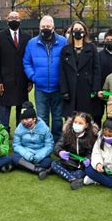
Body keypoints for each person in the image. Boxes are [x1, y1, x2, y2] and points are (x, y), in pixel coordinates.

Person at [23, 15, 67, 143]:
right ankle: (45, 140)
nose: (45, 29)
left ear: (53, 27)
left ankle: (57, 141)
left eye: (48, 26)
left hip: (58, 87)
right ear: (39, 27)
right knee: (42, 117)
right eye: (43, 26)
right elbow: (27, 62)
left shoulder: (63, 42)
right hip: (41, 88)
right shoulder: (32, 43)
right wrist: (33, 77)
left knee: (58, 118)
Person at [0, 11, 31, 134]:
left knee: (21, 109)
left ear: (20, 20)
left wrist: (30, 80)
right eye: (11, 18)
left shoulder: (27, 37)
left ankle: (21, 134)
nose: (14, 20)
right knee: (4, 110)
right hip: (4, 81)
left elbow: (30, 59)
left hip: (22, 81)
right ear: (7, 20)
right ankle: (3, 135)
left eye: (16, 18)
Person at [59, 21, 101, 120]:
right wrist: (64, 90)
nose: (78, 32)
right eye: (75, 30)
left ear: (85, 32)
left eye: (80, 30)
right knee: (71, 120)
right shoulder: (65, 50)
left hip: (87, 89)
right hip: (70, 90)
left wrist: (95, 89)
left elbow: (97, 70)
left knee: (85, 119)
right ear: (71, 32)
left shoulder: (92, 48)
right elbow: (62, 71)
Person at [51, 112, 98, 190]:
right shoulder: (67, 133)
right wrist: (60, 152)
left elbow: (91, 153)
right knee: (54, 163)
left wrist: (88, 159)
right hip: (68, 162)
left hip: (81, 166)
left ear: (86, 125)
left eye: (80, 123)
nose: (77, 125)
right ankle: (73, 179)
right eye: (75, 122)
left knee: (83, 172)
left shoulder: (91, 136)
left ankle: (67, 175)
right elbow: (57, 146)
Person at [12, 101, 53, 179]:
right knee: (14, 158)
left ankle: (26, 167)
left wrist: (39, 156)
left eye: (27, 118)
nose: (24, 121)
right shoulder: (19, 129)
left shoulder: (44, 128)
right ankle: (37, 170)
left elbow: (49, 145)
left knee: (48, 162)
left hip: (40, 153)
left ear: (34, 119)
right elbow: (16, 145)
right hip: (25, 153)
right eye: (22, 119)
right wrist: (27, 155)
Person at [93, 28, 112, 125]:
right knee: (97, 114)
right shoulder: (99, 55)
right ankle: (97, 133)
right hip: (101, 90)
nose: (109, 42)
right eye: (107, 40)